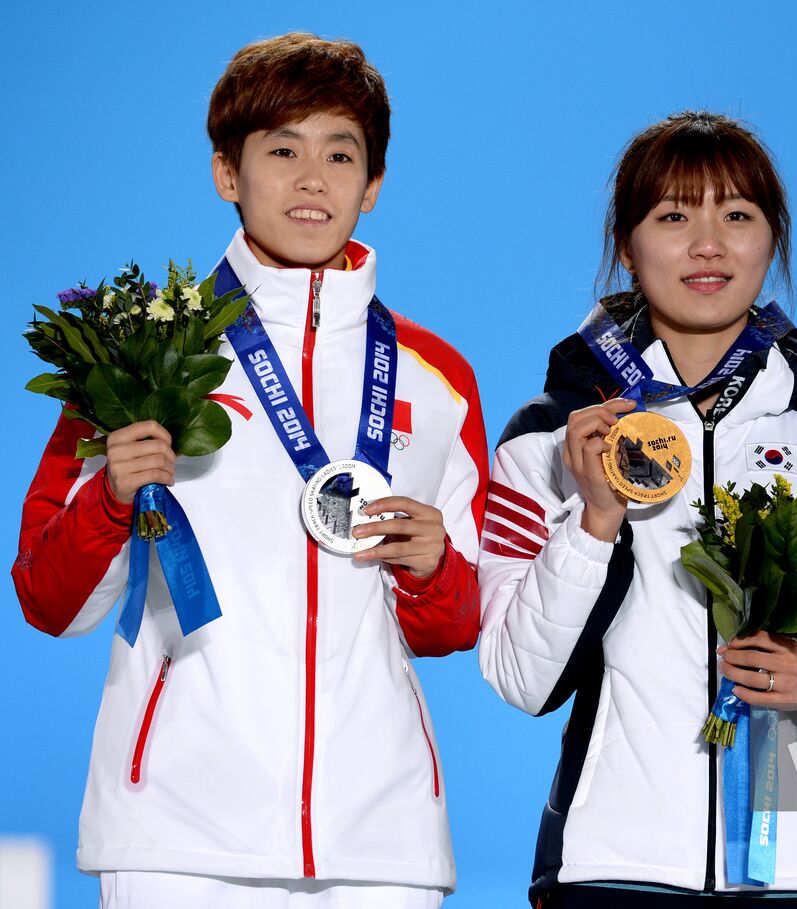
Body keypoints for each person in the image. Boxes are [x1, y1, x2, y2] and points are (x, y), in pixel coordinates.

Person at [12, 33, 487, 908]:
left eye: (340, 153)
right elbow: (50, 599)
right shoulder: (140, 348)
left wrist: (433, 569)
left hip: (380, 846)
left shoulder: (437, 378)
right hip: (176, 838)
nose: (313, 179)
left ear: (373, 184)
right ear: (227, 172)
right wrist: (113, 498)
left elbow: (454, 624)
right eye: (281, 150)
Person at [479, 111, 797, 907]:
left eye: (738, 215)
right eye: (674, 216)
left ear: (772, 239)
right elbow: (520, 677)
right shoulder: (550, 436)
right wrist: (592, 523)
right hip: (613, 866)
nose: (708, 245)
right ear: (627, 243)